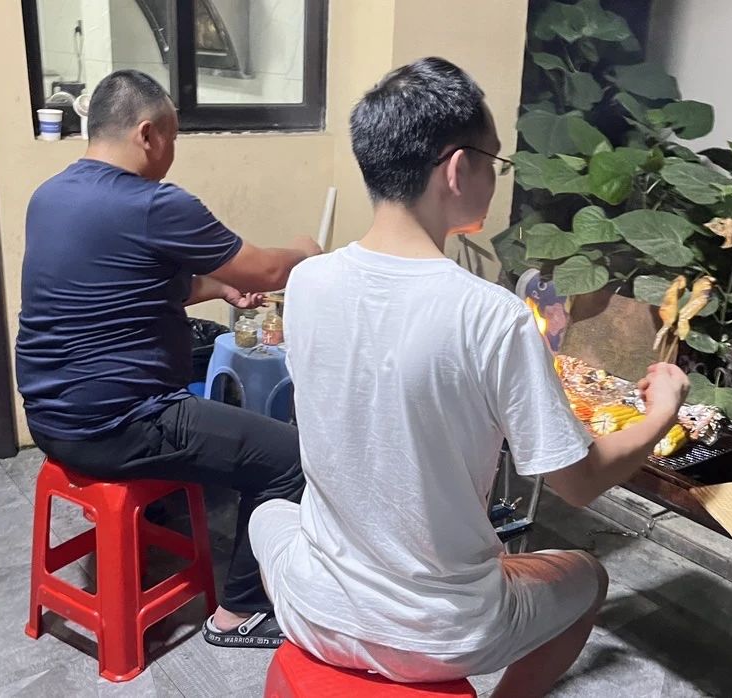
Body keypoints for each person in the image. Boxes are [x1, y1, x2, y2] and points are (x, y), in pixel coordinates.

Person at [248, 58, 691, 697]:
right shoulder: (491, 315)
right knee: (588, 575)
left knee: (269, 514)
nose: (495, 175)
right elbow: (579, 483)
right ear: (457, 169)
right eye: (494, 160)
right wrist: (661, 412)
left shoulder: (307, 281)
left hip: (314, 607)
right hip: (437, 634)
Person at [15, 69, 320, 648]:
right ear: (148, 133)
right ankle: (241, 613)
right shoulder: (153, 204)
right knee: (292, 457)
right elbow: (266, 269)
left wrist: (220, 287)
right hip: (120, 426)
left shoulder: (50, 196)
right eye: (174, 138)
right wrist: (308, 251)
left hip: (51, 421)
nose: (172, 152)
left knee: (218, 424)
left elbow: (137, 287)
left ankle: (153, 527)